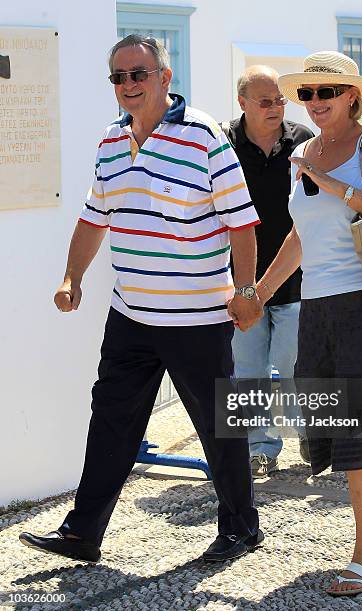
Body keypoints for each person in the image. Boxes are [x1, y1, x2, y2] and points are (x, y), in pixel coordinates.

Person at [19, 35, 264, 564]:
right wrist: (72, 276)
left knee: (217, 425)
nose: (128, 85)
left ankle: (242, 527)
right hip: (130, 312)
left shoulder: (204, 136)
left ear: (164, 78)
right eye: (119, 77)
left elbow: (241, 223)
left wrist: (245, 290)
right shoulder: (111, 139)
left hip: (197, 316)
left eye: (139, 74)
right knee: (110, 418)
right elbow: (93, 216)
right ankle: (82, 532)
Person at [258, 51, 362, 596]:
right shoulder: (302, 153)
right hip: (319, 308)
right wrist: (259, 293)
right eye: (307, 94)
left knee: (360, 428)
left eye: (326, 93)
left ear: (352, 96)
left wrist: (340, 187)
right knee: (333, 422)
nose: (315, 103)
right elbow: (302, 236)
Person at [222, 65, 313, 477]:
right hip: (240, 284)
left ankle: (315, 440)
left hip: (297, 279)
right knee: (248, 372)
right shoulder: (222, 144)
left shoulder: (304, 143)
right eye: (266, 101)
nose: (277, 107)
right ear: (242, 103)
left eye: (280, 99)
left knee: (300, 367)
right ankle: (259, 448)